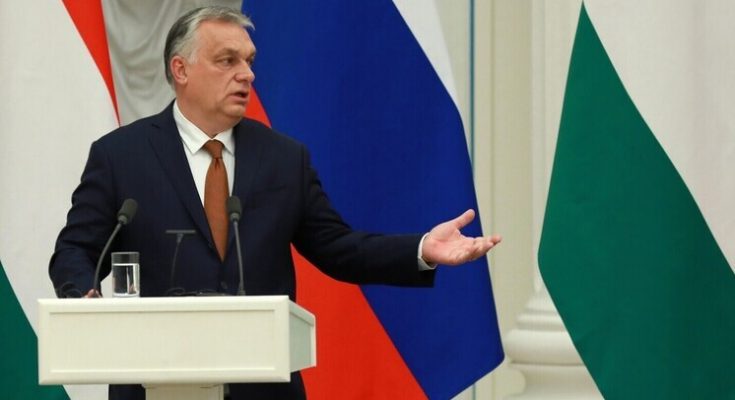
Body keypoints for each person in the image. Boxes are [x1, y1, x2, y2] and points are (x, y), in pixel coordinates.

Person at [48, 6, 501, 400]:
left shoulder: (283, 158)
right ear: (181, 70)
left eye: (249, 61)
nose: (247, 74)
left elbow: (338, 248)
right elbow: (75, 249)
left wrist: (421, 248)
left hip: (262, 388)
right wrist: (84, 294)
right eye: (227, 61)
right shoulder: (120, 156)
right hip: (154, 382)